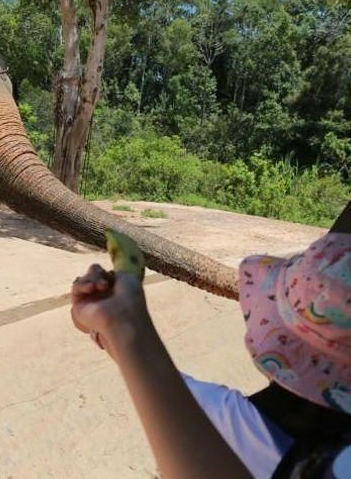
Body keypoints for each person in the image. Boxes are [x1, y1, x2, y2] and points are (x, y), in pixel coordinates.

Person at [70, 203, 351, 478]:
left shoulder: (199, 412)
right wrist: (115, 322)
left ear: (275, 340)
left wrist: (106, 317)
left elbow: (125, 348)